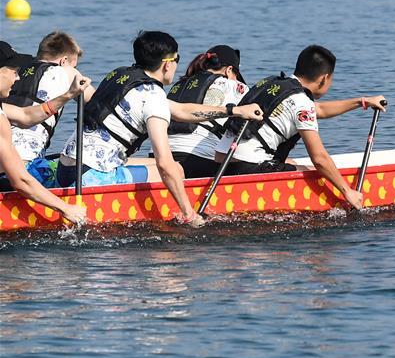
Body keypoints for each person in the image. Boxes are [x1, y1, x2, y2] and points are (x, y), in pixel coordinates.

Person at [55, 31, 262, 227]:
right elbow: (165, 164)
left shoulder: (121, 76)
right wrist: (190, 214)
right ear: (167, 64)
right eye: (177, 60)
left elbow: (181, 111)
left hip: (67, 170)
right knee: (175, 169)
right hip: (91, 179)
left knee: (154, 164)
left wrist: (234, 110)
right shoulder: (153, 96)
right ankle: (175, 213)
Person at [216, 45, 386, 210]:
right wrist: (347, 191)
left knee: (293, 162)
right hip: (248, 168)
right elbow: (319, 158)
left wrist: (361, 102)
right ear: (324, 78)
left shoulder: (276, 84)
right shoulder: (302, 102)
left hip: (221, 162)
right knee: (314, 171)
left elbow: (318, 109)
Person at [0, 40, 87, 224]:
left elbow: (25, 115)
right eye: (14, 71)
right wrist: (66, 208)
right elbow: (21, 181)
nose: (17, 78)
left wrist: (68, 95)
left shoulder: (3, 108)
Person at [5, 31, 96, 186]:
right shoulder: (65, 71)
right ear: (64, 60)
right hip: (25, 169)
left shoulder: (14, 73)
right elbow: (97, 105)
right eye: (75, 64)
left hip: (5, 163)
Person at [168, 45, 249, 178]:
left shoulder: (179, 84)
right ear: (229, 70)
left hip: (161, 156)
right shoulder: (233, 85)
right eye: (236, 74)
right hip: (196, 161)